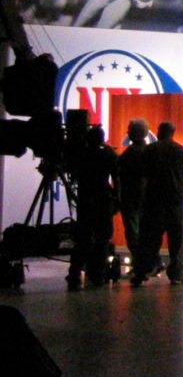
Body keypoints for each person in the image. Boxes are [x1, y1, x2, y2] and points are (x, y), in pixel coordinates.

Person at [132, 121, 183, 286]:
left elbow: (142, 178)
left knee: (149, 239)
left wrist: (139, 199)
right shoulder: (182, 151)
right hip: (175, 201)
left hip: (153, 200)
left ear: (159, 132)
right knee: (177, 240)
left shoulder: (149, 151)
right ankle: (176, 274)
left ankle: (142, 272)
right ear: (172, 133)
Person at [67, 125, 118, 291]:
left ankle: (74, 274)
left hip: (85, 200)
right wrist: (117, 198)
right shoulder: (108, 155)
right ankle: (98, 275)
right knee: (102, 239)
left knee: (82, 238)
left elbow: (72, 171)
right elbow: (116, 178)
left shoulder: (81, 154)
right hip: (103, 200)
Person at [117, 118, 150, 272]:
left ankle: (139, 265)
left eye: (129, 130)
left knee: (133, 233)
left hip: (131, 197)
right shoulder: (150, 151)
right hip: (146, 197)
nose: (127, 132)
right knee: (144, 233)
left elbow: (118, 168)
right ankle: (149, 263)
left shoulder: (131, 153)